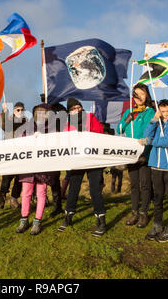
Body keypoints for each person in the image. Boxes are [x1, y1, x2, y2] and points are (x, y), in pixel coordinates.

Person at [57, 98, 107, 237]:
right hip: (76, 160)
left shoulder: (91, 118)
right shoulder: (67, 126)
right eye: (73, 109)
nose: (76, 110)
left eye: (78, 107)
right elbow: (64, 143)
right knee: (73, 189)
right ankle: (68, 218)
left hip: (93, 159)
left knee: (94, 189)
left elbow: (100, 133)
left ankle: (101, 221)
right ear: (69, 112)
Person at [140, 99, 168, 243]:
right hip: (155, 165)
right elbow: (146, 134)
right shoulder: (157, 123)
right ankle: (157, 225)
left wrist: (150, 142)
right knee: (157, 198)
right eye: (162, 111)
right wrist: (153, 120)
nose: (165, 114)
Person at [15, 103, 58, 235]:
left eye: (44, 113)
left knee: (41, 193)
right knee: (26, 193)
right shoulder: (27, 126)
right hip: (28, 166)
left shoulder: (52, 128)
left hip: (43, 167)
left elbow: (56, 144)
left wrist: (45, 139)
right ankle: (24, 219)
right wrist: (29, 137)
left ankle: (37, 220)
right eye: (38, 112)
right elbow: (19, 140)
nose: (41, 115)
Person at [117, 83, 155, 228]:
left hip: (144, 154)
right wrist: (128, 119)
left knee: (145, 184)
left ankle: (144, 213)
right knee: (134, 184)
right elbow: (119, 129)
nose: (139, 96)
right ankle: (135, 213)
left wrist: (144, 149)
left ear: (146, 96)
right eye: (136, 93)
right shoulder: (129, 112)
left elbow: (148, 130)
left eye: (142, 94)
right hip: (131, 155)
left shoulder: (150, 112)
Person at [0, 101, 26, 209]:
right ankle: (2, 198)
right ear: (14, 111)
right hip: (9, 154)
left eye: (22, 110)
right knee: (6, 178)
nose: (20, 112)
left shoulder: (26, 122)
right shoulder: (9, 120)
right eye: (18, 110)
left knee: (19, 179)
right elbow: (3, 125)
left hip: (21, 154)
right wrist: (4, 111)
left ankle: (14, 199)